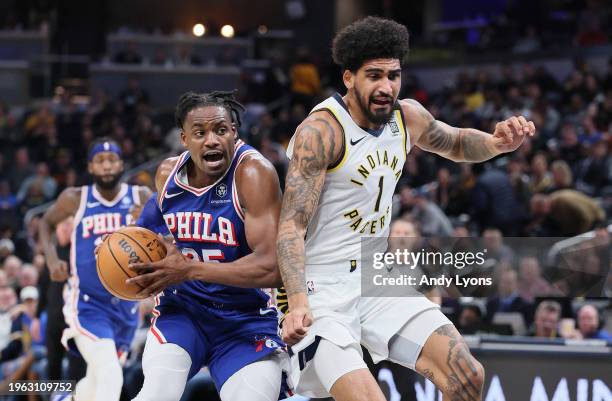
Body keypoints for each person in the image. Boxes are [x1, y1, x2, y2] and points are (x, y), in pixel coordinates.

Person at [277, 17, 535, 401]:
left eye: (393, 75)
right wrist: (297, 301)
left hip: (374, 275)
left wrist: (497, 143)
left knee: (467, 376)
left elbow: (458, 143)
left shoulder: (407, 116)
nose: (386, 87)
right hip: (318, 285)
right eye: (374, 75)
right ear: (349, 78)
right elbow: (290, 227)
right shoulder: (322, 132)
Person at [127, 91, 288, 401]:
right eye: (200, 133)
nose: (212, 140)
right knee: (156, 394)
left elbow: (273, 267)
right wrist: (117, 246)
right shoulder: (167, 175)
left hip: (245, 320)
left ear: (234, 132)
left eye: (221, 130)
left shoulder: (253, 173)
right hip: (183, 312)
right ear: (185, 139)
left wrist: (190, 270)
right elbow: (143, 231)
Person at [39, 137, 151, 401]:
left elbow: (164, 240)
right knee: (111, 374)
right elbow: (44, 222)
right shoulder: (75, 198)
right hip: (88, 304)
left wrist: (146, 223)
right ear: (90, 167)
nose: (107, 166)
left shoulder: (141, 197)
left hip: (126, 307)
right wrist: (52, 260)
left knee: (98, 379)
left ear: (122, 164)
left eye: (112, 160)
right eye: (100, 161)